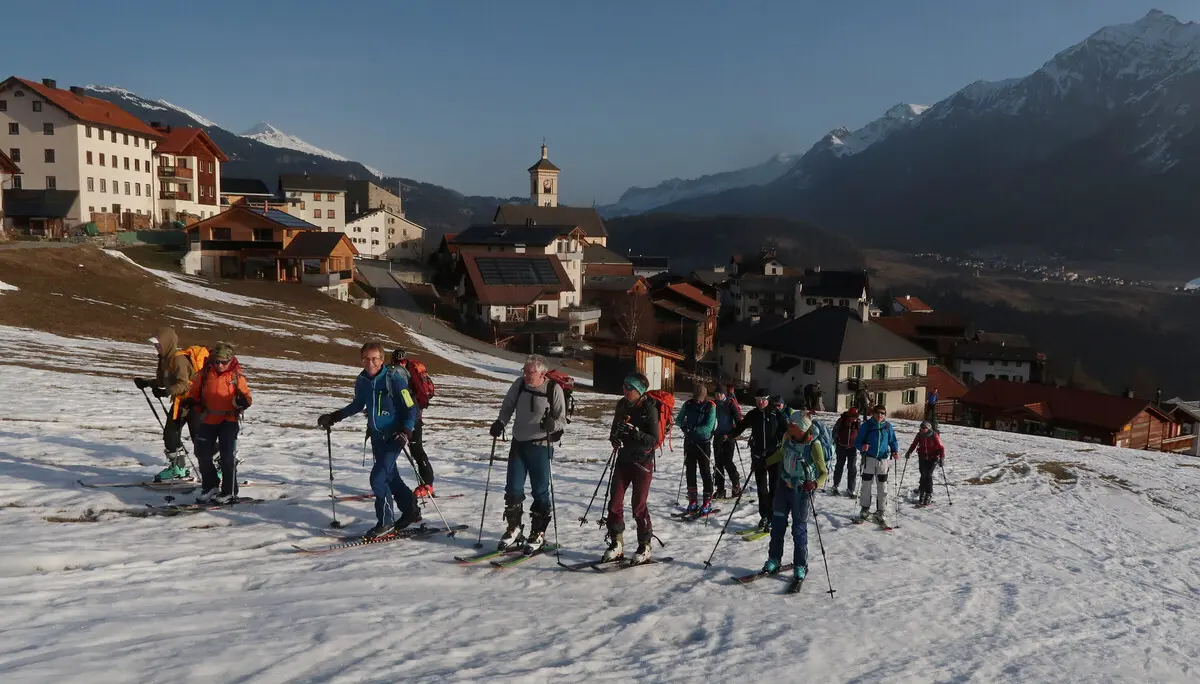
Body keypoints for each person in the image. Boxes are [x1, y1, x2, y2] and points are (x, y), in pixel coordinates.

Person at [318, 341, 420, 539]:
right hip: (376, 437)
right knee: (390, 476)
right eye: (366, 358)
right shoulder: (362, 380)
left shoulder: (394, 378)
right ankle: (411, 510)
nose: (370, 362)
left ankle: (386, 522)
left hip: (395, 436)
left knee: (378, 478)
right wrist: (335, 416)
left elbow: (410, 407)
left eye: (374, 358)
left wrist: (406, 431)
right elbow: (358, 404)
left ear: (382, 360)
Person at [490, 355, 567, 554]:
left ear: (541, 373)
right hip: (518, 444)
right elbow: (507, 407)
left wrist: (553, 425)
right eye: (524, 371)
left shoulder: (553, 389)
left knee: (539, 491)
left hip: (540, 446)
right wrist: (500, 422)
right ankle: (514, 528)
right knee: (513, 489)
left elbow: (562, 419)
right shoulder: (519, 385)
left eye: (529, 372)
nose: (525, 375)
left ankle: (538, 533)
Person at [761, 412, 827, 582]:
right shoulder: (788, 437)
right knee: (777, 525)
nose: (789, 425)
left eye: (792, 423)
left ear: (801, 428)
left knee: (798, 530)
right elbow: (782, 454)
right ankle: (774, 559)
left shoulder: (814, 445)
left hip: (802, 491)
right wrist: (765, 461)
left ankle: (800, 565)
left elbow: (823, 472)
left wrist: (815, 484)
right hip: (784, 486)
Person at [603, 372, 661, 564]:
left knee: (638, 505)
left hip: (642, 462)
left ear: (639, 391)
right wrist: (615, 438)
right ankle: (616, 542)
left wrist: (635, 433)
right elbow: (614, 430)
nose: (625, 390)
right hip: (623, 459)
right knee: (614, 502)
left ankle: (644, 545)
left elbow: (654, 440)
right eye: (624, 386)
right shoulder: (622, 404)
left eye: (629, 387)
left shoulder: (649, 408)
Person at [134, 326, 202, 482]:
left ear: (168, 343)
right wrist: (147, 383)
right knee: (170, 435)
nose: (156, 347)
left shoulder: (178, 359)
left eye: (158, 344)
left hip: (194, 403)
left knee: (198, 438)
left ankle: (221, 463)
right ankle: (179, 468)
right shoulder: (164, 360)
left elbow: (185, 384)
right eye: (155, 344)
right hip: (180, 403)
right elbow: (162, 381)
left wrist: (167, 391)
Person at [186, 343, 252, 504]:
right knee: (202, 453)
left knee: (227, 457)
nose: (220, 365)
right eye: (217, 362)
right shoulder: (205, 373)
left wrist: (244, 401)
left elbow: (247, 397)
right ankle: (210, 486)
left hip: (228, 421)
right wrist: (190, 401)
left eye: (223, 362)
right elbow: (194, 391)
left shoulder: (236, 376)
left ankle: (229, 491)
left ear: (230, 361)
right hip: (208, 419)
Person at [730, 388, 789, 533]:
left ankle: (774, 516)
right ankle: (764, 516)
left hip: (774, 456)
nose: (760, 402)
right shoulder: (753, 414)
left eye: (763, 399)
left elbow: (785, 431)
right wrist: (729, 435)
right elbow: (741, 426)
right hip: (758, 456)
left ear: (768, 400)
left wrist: (776, 443)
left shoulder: (776, 414)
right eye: (757, 400)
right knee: (762, 488)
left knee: (774, 487)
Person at [391, 349, 436, 497]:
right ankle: (427, 484)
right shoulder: (410, 370)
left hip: (410, 417)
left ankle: (426, 484)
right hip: (415, 417)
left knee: (406, 450)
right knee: (416, 451)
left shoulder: (396, 372)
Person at [854, 404, 900, 526]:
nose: (880, 415)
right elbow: (857, 441)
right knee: (866, 485)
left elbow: (893, 441)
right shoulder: (867, 426)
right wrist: (862, 447)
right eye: (878, 413)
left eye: (882, 413)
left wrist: (894, 451)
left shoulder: (888, 427)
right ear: (873, 413)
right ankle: (865, 508)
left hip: (883, 461)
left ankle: (881, 511)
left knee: (882, 487)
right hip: (869, 459)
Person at [674, 385, 716, 514]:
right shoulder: (688, 404)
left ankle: (707, 500)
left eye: (700, 399)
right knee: (690, 471)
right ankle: (692, 500)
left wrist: (694, 430)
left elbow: (709, 426)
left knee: (705, 471)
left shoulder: (710, 406)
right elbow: (679, 420)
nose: (697, 401)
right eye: (696, 398)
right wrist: (684, 426)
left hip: (703, 443)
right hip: (690, 442)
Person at [712, 386, 743, 499]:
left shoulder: (730, 404)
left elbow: (739, 422)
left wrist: (731, 434)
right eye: (716, 393)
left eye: (720, 393)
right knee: (718, 463)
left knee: (727, 461)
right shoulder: (713, 404)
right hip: (717, 437)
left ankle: (736, 485)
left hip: (729, 437)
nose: (718, 395)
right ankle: (720, 489)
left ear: (725, 394)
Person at [905, 421, 945, 506]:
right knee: (923, 475)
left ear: (928, 428)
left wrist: (942, 458)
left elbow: (941, 447)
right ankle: (922, 493)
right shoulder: (919, 435)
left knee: (928, 475)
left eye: (924, 428)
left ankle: (928, 494)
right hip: (922, 457)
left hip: (933, 458)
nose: (922, 429)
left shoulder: (934, 435)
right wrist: (909, 452)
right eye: (921, 427)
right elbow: (914, 444)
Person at [831, 407, 861, 497]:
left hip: (852, 448)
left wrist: (859, 443)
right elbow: (834, 431)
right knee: (839, 466)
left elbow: (861, 433)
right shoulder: (842, 421)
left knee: (852, 468)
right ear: (848, 415)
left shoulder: (858, 423)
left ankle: (851, 489)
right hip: (841, 446)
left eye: (856, 416)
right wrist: (836, 438)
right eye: (852, 416)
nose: (854, 418)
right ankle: (835, 486)